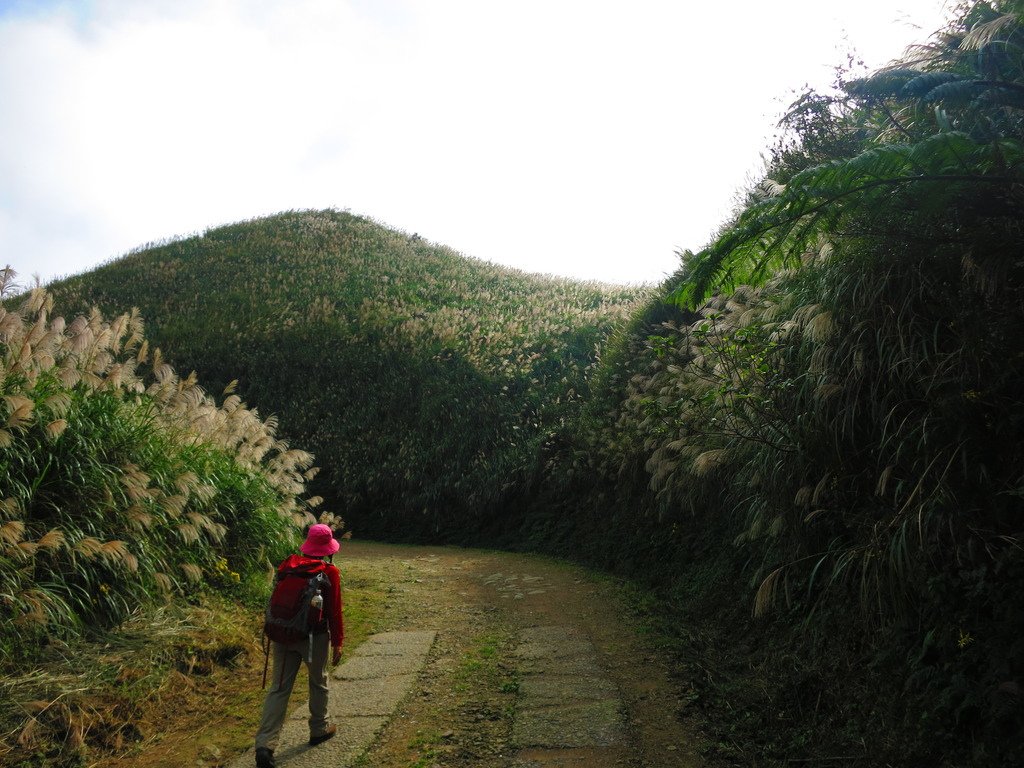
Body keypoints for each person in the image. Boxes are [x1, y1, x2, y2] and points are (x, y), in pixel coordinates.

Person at [254, 524, 344, 768]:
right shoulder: (329, 572)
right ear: (327, 548)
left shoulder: (288, 565)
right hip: (314, 638)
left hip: (283, 634)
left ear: (307, 544)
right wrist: (338, 642)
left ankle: (264, 745)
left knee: (279, 689)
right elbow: (334, 611)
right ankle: (319, 728)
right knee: (318, 682)